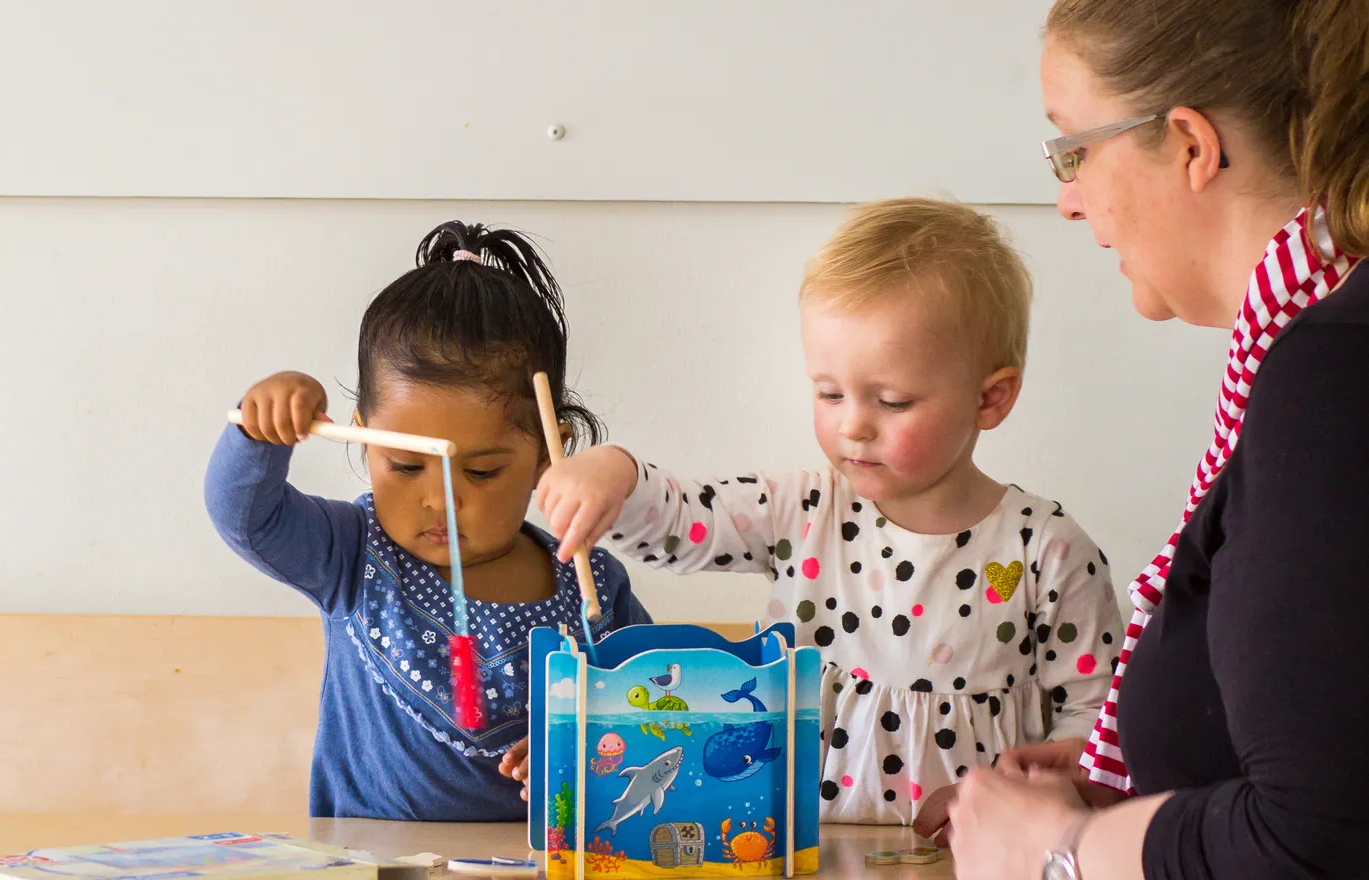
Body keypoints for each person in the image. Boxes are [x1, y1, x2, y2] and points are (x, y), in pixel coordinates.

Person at [933, 1, 1369, 876]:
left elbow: (1315, 836)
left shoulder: (1333, 370)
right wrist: (1151, 785)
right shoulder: (1319, 347)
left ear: (1189, 146)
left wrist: (1062, 851)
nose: (1066, 200)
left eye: (1073, 151)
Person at [534, 198, 1123, 824]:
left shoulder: (1048, 550)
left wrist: (1048, 792)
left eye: (892, 401)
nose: (853, 426)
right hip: (801, 851)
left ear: (991, 398)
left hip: (974, 857)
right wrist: (617, 475)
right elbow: (681, 522)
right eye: (829, 393)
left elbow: (1096, 719)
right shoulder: (800, 511)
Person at [204, 221, 653, 820]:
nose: (440, 500)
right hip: (373, 860)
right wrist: (259, 430)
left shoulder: (589, 581)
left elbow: (649, 708)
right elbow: (245, 517)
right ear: (362, 434)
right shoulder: (349, 553)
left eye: (483, 472)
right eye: (407, 466)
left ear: (549, 449)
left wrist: (581, 746)